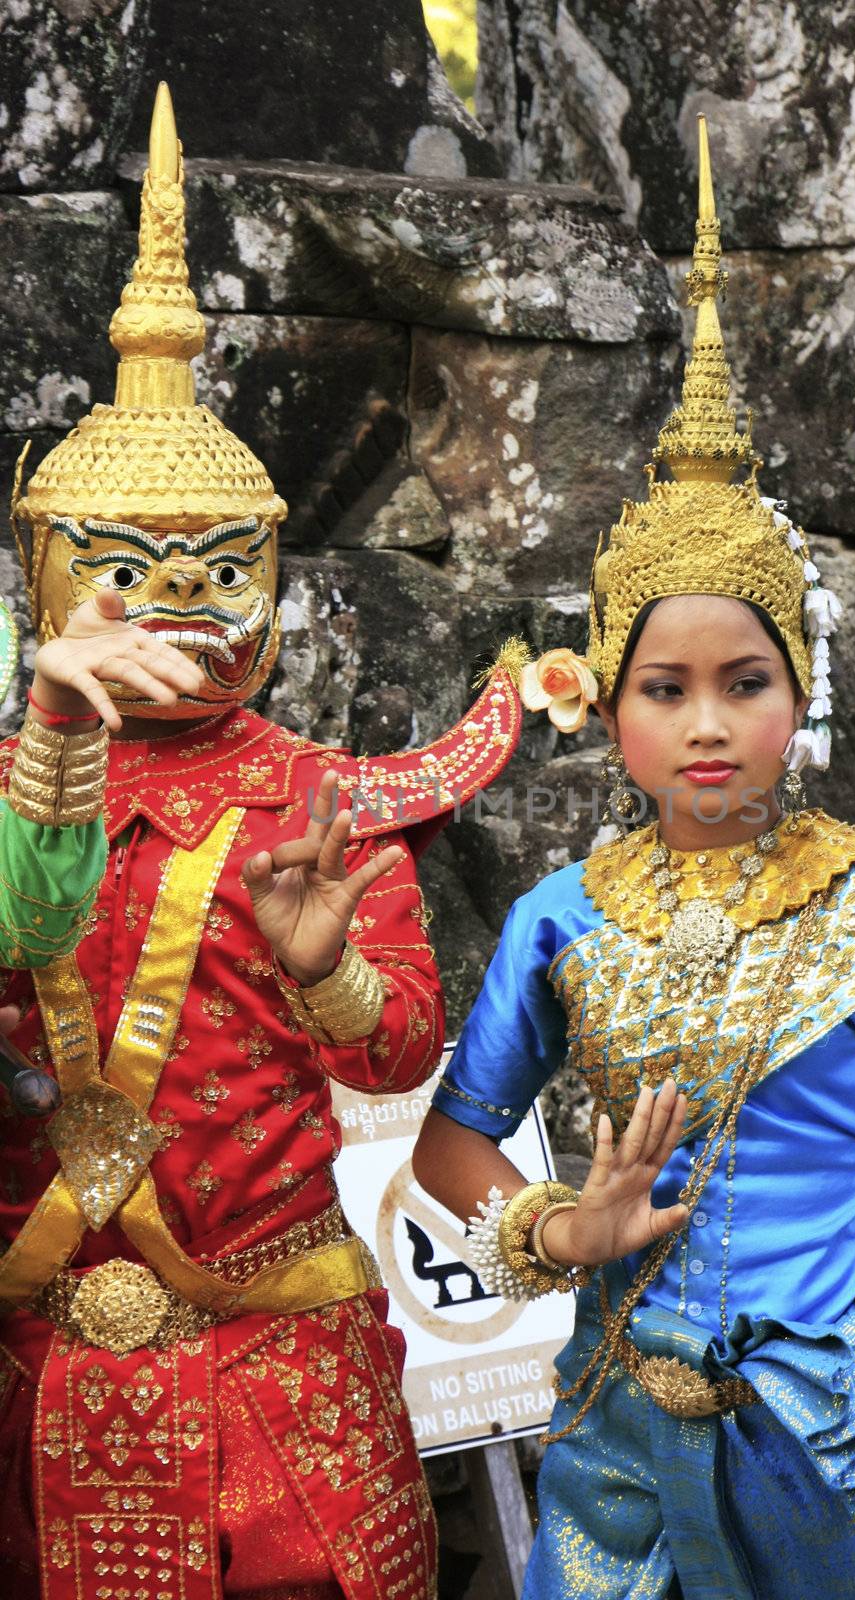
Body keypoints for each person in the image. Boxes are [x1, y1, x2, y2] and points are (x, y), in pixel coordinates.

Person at [412, 117, 855, 1599]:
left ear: (798, 700)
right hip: (617, 1442)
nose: (708, 728)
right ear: (607, 704)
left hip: (837, 1452)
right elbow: (450, 1154)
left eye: (746, 685)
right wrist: (561, 1224)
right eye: (665, 690)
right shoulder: (561, 922)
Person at [0, 84, 523, 1600]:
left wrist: (331, 982)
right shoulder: (24, 785)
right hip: (40, 1364)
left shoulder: (322, 801)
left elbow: (398, 1052)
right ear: (43, 580)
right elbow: (25, 936)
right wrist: (51, 745)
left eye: (224, 569)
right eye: (123, 575)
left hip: (279, 1360)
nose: (184, 609)